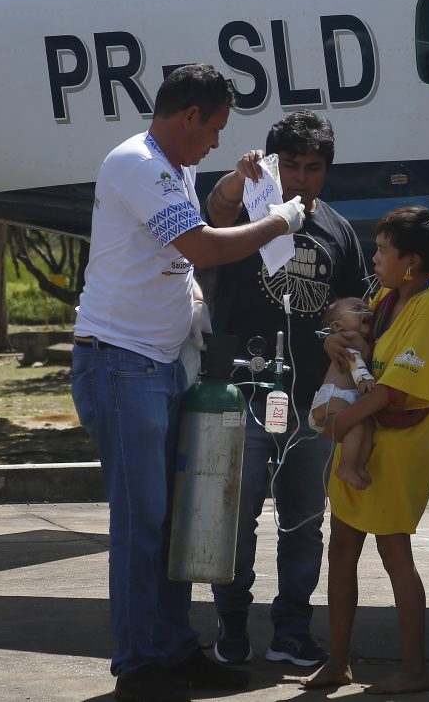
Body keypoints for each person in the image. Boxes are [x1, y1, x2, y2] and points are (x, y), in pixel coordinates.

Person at [70, 63, 307, 702]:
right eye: (213, 131)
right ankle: (139, 664)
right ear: (187, 118)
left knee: (172, 521)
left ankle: (171, 648)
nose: (213, 142)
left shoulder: (173, 165)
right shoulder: (138, 163)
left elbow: (179, 238)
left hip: (160, 361)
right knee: (142, 522)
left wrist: (232, 183)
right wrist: (280, 221)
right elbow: (202, 245)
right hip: (122, 364)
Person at [203, 110, 369, 668]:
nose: (300, 179)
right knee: (235, 516)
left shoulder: (339, 231)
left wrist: (336, 338)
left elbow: (352, 312)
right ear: (272, 165)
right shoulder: (246, 212)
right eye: (290, 166)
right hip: (241, 395)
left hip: (309, 404)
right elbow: (213, 215)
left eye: (313, 168)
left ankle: (291, 630)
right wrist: (237, 181)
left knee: (303, 521)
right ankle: (230, 626)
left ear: (327, 171)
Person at [301, 205, 429, 695]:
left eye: (383, 251)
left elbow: (393, 388)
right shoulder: (390, 295)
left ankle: (414, 669)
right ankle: (338, 661)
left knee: (395, 555)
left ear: (410, 261)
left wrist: (342, 420)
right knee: (341, 548)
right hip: (363, 440)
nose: (374, 259)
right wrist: (334, 344)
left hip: (396, 445)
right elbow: (359, 345)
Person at [310, 296, 376, 490]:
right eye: (357, 309)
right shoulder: (347, 342)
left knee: (366, 425)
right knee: (355, 426)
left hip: (345, 398)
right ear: (338, 327)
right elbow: (354, 361)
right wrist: (363, 379)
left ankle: (357, 465)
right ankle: (346, 467)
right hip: (333, 397)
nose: (365, 310)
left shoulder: (364, 341)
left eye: (366, 307)